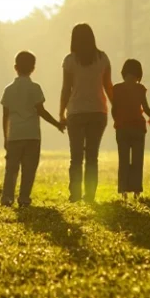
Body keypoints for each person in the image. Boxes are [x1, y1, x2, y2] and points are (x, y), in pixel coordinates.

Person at [1, 50, 65, 207]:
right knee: (29, 169)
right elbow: (41, 111)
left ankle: (7, 197)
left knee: (11, 169)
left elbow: (5, 116)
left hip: (15, 134)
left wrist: (6, 137)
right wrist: (57, 124)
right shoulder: (35, 88)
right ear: (33, 68)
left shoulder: (8, 90)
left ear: (15, 67)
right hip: (32, 135)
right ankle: (24, 198)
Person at [59, 23, 113, 203]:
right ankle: (89, 195)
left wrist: (61, 112)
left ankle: (74, 194)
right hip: (98, 111)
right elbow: (108, 86)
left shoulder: (70, 60)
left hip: (76, 111)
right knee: (92, 157)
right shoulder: (102, 58)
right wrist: (116, 107)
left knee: (76, 157)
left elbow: (66, 89)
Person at [111, 59, 150, 200]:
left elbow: (114, 109)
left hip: (122, 129)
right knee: (137, 161)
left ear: (124, 72)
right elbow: (145, 108)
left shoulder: (117, 89)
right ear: (139, 73)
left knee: (123, 160)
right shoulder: (140, 89)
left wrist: (118, 121)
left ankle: (123, 191)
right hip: (138, 128)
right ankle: (137, 191)